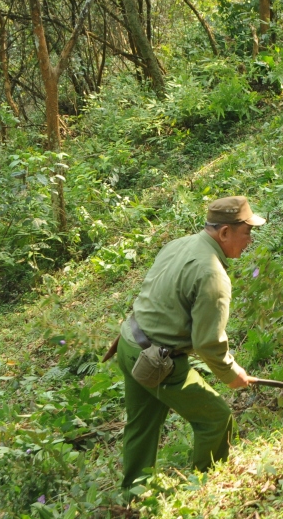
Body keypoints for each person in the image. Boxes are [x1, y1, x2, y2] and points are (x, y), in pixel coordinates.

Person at [112, 196, 263, 493]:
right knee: (216, 419)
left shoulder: (180, 244)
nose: (249, 241)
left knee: (141, 427)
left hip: (129, 342)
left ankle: (134, 494)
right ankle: (204, 489)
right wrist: (232, 374)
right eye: (247, 232)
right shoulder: (212, 275)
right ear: (224, 233)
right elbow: (207, 344)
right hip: (157, 360)